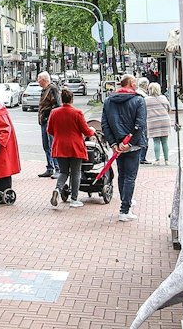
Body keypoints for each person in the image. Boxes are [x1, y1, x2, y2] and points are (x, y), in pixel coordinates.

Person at [101, 75, 150, 222]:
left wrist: (113, 144)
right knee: (130, 177)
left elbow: (105, 124)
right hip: (132, 145)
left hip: (117, 145)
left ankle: (125, 201)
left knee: (122, 174)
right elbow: (140, 124)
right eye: (134, 81)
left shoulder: (109, 100)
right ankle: (125, 209)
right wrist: (129, 143)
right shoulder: (139, 100)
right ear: (131, 83)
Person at [46, 90, 95, 209]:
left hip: (59, 146)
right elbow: (86, 131)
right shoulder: (77, 113)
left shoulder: (54, 112)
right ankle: (74, 199)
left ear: (62, 99)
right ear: (72, 99)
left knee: (63, 172)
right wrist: (92, 131)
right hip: (75, 147)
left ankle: (58, 189)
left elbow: (49, 130)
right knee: (76, 172)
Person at [35, 71, 61, 179]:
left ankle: (57, 168)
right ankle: (50, 168)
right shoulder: (45, 90)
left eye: (39, 79)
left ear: (44, 80)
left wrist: (47, 116)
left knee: (52, 145)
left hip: (50, 122)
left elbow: (57, 105)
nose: (38, 81)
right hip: (44, 121)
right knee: (46, 145)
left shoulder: (52, 89)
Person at [143, 82, 175, 165]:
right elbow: (169, 109)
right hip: (165, 121)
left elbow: (143, 111)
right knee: (165, 141)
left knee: (156, 141)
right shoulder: (163, 98)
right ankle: (167, 160)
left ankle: (157, 160)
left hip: (153, 122)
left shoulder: (146, 100)